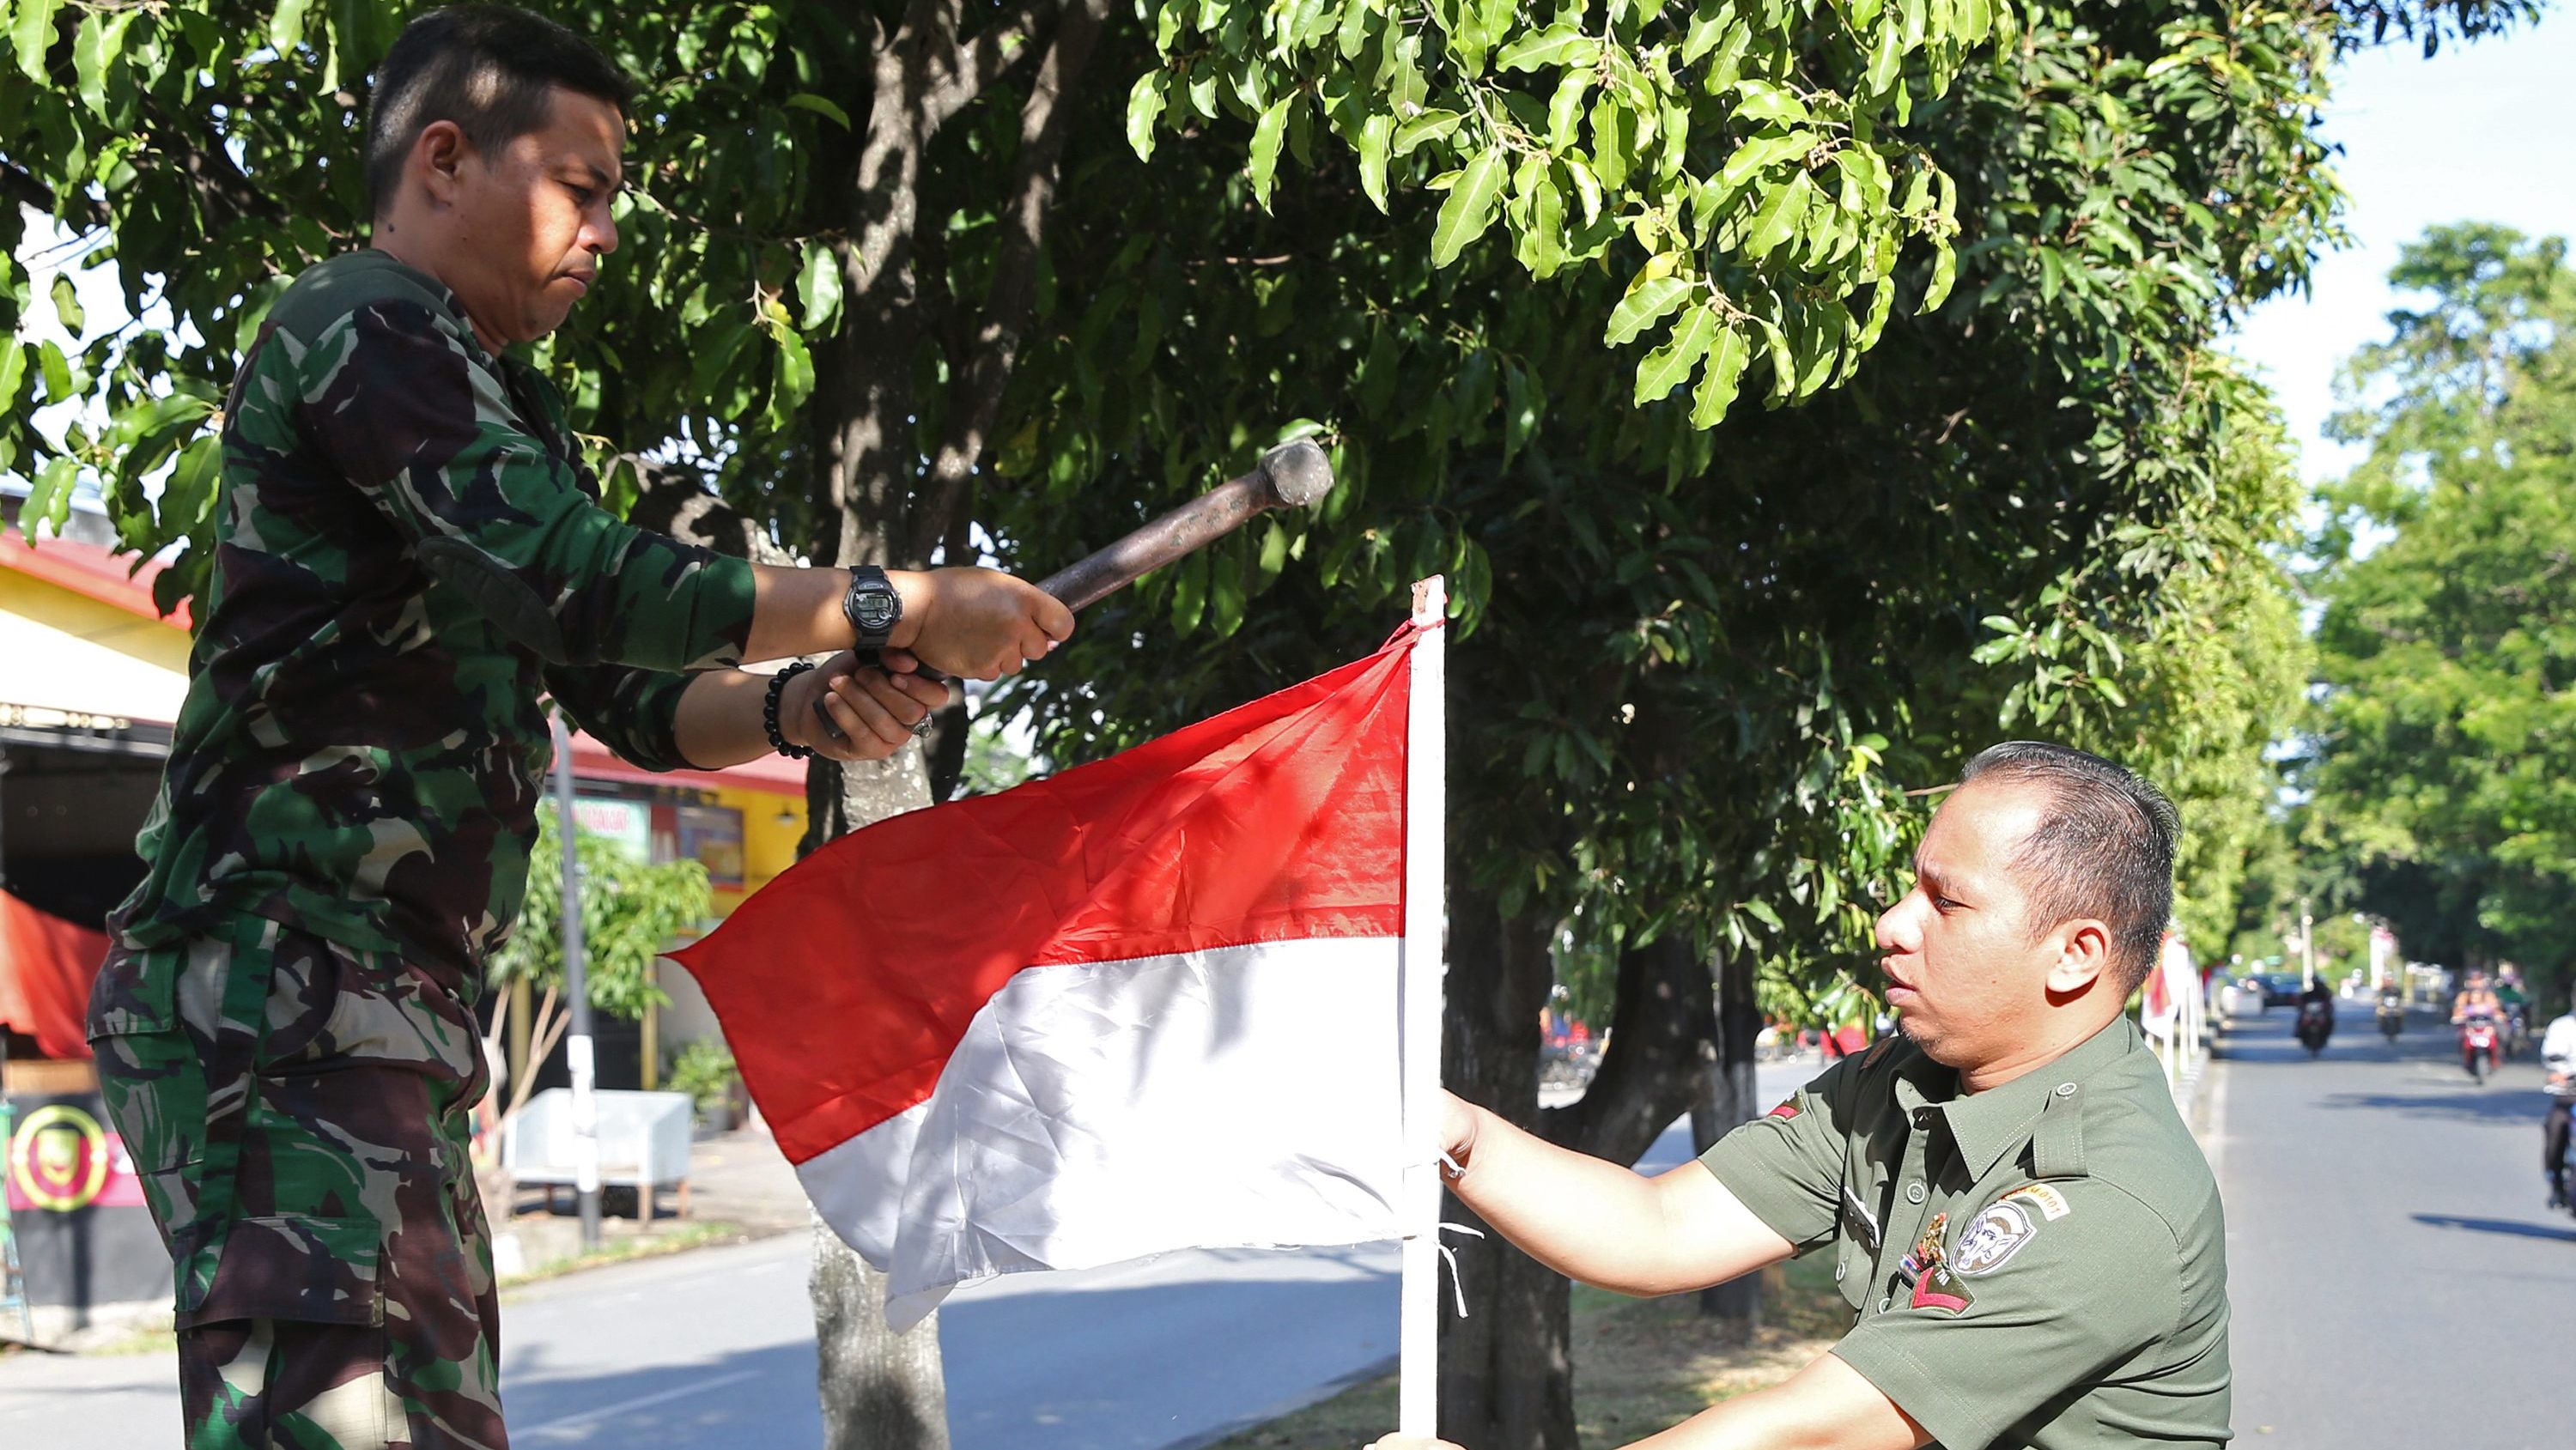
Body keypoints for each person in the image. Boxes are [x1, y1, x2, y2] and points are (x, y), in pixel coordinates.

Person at [81, 9, 1075, 1447]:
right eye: (583, 186)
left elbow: (641, 700)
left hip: (382, 1006)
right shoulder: (361, 321)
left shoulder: (506, 411)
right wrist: (893, 595)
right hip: (270, 985)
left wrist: (810, 701)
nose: (608, 230)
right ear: (444, 160)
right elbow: (587, 581)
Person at [1372, 743, 2227, 1450]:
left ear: (2076, 955)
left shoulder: (2109, 1198)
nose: (1893, 924)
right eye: (1910, 886)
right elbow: (1658, 1229)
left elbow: (1806, 1434)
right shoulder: (1900, 1084)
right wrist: (1458, 1132)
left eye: (1946, 901)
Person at [2543, 993, 2576, 1211]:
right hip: (2570, 1093)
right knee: (2555, 1126)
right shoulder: (2563, 1026)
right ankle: (2556, 1181)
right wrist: (2559, 1075)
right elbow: (2551, 1056)